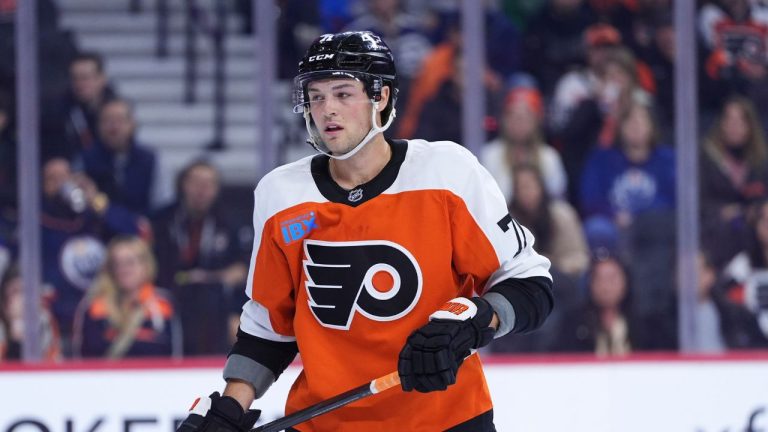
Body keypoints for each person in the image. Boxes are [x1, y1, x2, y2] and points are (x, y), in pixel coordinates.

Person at [178, 31, 553, 432]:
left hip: (447, 420)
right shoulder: (281, 195)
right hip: (325, 423)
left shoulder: (447, 174)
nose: (327, 110)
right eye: (316, 96)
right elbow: (269, 328)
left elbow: (529, 283)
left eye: (343, 94)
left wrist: (475, 321)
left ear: (382, 97)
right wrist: (230, 410)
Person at [152, 160, 248, 355]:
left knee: (238, 327)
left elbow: (242, 269)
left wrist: (211, 278)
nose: (201, 189)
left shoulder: (230, 222)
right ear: (182, 185)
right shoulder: (161, 220)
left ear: (217, 189)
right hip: (169, 296)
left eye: (208, 184)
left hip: (217, 301)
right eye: (195, 182)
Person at [72, 235, 181, 358]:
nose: (124, 269)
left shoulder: (163, 304)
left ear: (146, 265)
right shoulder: (92, 306)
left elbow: (176, 356)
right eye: (117, 264)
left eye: (130, 262)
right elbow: (80, 359)